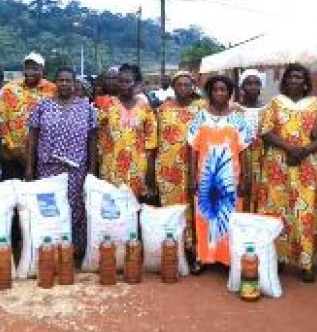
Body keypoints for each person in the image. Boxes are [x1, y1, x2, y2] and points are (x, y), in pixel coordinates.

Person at [258, 63, 317, 282]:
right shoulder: (274, 103)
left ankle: (307, 262)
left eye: (299, 77)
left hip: (308, 165)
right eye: (291, 77)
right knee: (279, 209)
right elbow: (265, 131)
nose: (294, 80)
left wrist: (304, 151)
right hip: (279, 165)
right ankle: (279, 257)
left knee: (307, 212)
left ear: (306, 82)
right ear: (285, 80)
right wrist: (291, 148)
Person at [27, 67, 98, 258]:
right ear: (55, 83)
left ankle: (73, 251)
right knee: (51, 207)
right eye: (61, 80)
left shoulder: (86, 107)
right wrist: (29, 166)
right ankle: (51, 247)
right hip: (48, 168)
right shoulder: (42, 106)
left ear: (75, 84)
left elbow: (92, 139)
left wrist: (92, 169)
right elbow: (32, 137)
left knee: (76, 207)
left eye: (68, 80)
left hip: (76, 169)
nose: (64, 84)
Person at [187, 75, 252, 271]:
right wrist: (192, 177)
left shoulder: (238, 120)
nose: (219, 93)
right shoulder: (199, 117)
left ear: (229, 93)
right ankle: (204, 257)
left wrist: (245, 178)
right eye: (215, 90)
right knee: (204, 217)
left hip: (229, 179)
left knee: (228, 217)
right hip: (206, 178)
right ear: (210, 93)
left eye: (223, 90)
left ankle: (226, 258)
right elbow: (193, 149)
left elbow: (244, 150)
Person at [154, 71, 204, 262]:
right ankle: (174, 248)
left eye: (187, 84)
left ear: (193, 87)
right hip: (168, 168)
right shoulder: (162, 109)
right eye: (179, 85)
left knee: (194, 208)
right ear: (173, 87)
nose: (183, 88)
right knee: (172, 208)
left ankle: (193, 250)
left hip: (195, 166)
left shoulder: (201, 108)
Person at [98, 64, 157, 198]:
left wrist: (150, 180)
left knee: (134, 210)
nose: (123, 85)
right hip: (111, 168)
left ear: (136, 83)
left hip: (137, 170)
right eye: (120, 81)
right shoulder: (108, 105)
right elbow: (99, 137)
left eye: (128, 81)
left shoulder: (145, 108)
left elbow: (151, 145)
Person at [0, 52, 56, 180]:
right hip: (12, 155)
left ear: (42, 69)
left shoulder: (52, 90)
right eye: (27, 68)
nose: (30, 72)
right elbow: (2, 120)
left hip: (43, 156)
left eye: (35, 69)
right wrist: (13, 148)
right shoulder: (9, 89)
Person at [237, 69, 266, 212]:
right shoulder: (235, 109)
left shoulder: (268, 109)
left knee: (261, 191)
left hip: (262, 155)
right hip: (240, 154)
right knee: (243, 190)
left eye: (256, 83)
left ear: (261, 86)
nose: (253, 86)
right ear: (242, 86)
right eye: (248, 83)